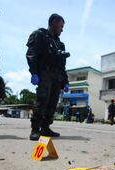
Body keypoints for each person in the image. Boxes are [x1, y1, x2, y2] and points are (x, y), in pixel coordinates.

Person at [26, 13, 70, 141]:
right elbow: (31, 53)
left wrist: (65, 81)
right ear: (54, 22)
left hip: (57, 77)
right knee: (42, 101)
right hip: (45, 74)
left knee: (52, 103)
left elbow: (63, 66)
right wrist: (34, 72)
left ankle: (45, 127)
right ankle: (35, 129)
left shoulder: (60, 44)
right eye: (61, 26)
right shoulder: (40, 35)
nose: (62, 29)